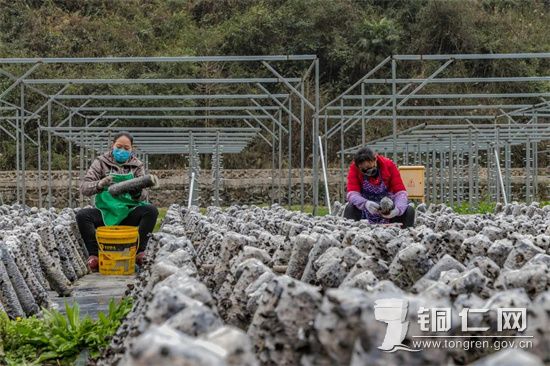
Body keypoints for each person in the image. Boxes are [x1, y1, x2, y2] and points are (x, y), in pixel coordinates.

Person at [76, 131, 159, 271]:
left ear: (132, 149)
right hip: (106, 211)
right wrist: (99, 184)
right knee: (82, 216)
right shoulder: (100, 162)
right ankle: (94, 255)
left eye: (126, 148)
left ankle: (139, 252)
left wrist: (136, 191)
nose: (122, 151)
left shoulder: (137, 165)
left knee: (151, 211)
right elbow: (84, 188)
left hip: (128, 212)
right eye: (119, 147)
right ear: (112, 145)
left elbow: (144, 194)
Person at [344, 147, 415, 228]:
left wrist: (397, 210)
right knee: (350, 208)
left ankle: (405, 235)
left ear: (375, 159)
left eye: (369, 166)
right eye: (363, 169)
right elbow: (352, 194)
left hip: (389, 212)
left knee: (409, 210)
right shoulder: (354, 168)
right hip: (366, 212)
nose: (367, 170)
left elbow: (400, 192)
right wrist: (365, 203)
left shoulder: (389, 165)